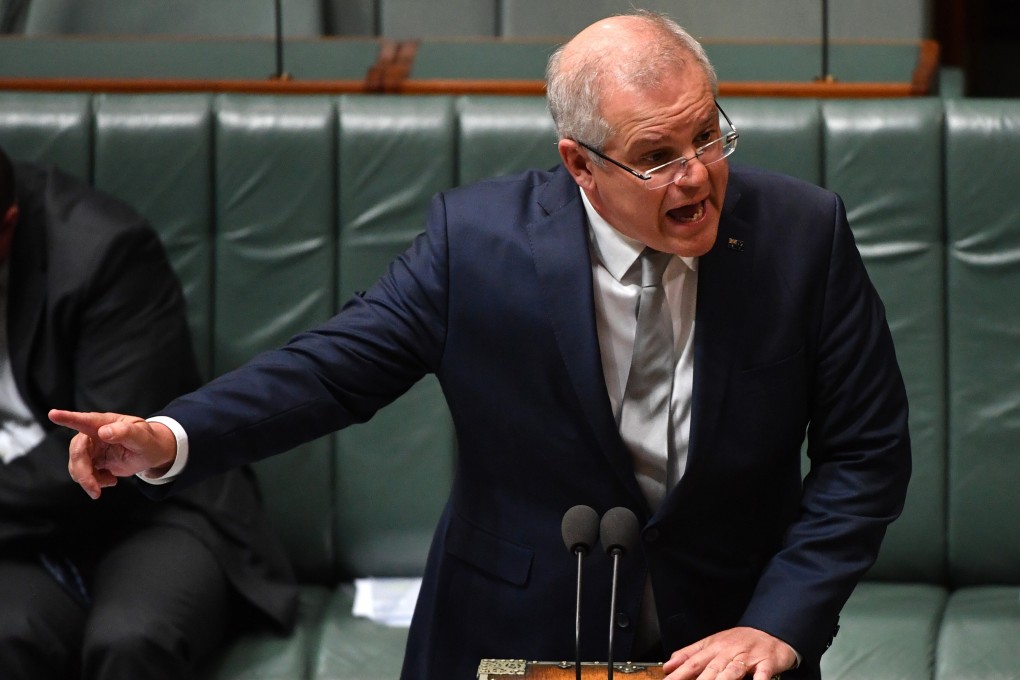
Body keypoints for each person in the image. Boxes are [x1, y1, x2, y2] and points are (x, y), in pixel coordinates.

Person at [50, 11, 911, 680]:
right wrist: (170, 437)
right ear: (581, 165)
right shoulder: (478, 245)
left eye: (707, 136)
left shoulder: (803, 235)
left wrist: (777, 622)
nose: (696, 176)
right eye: (656, 156)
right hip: (508, 638)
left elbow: (866, 456)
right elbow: (332, 369)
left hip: (727, 641)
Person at [0, 145, 298, 679]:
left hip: (149, 506)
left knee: (131, 640)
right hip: (20, 532)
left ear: (8, 227)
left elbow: (98, 454)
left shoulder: (102, 251)